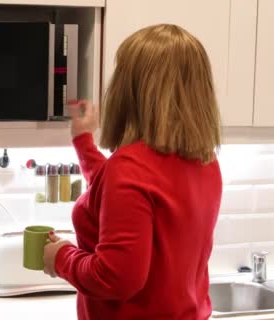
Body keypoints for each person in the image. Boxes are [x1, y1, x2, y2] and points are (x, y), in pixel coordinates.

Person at [43, 24, 223, 319]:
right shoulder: (205, 162)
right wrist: (83, 141)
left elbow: (114, 278)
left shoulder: (129, 169)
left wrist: (61, 257)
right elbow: (120, 191)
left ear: (130, 90)